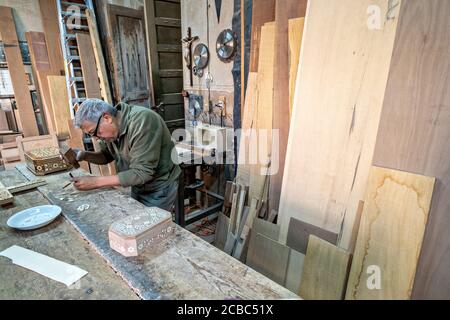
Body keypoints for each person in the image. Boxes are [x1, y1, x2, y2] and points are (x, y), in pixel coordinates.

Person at [72, 99, 181, 211]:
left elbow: (142, 173)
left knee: (153, 225)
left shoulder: (142, 121)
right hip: (138, 184)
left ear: (107, 118)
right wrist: (85, 155)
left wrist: (95, 182)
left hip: (159, 185)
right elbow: (106, 156)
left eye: (93, 132)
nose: (95, 138)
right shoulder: (112, 129)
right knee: (136, 218)